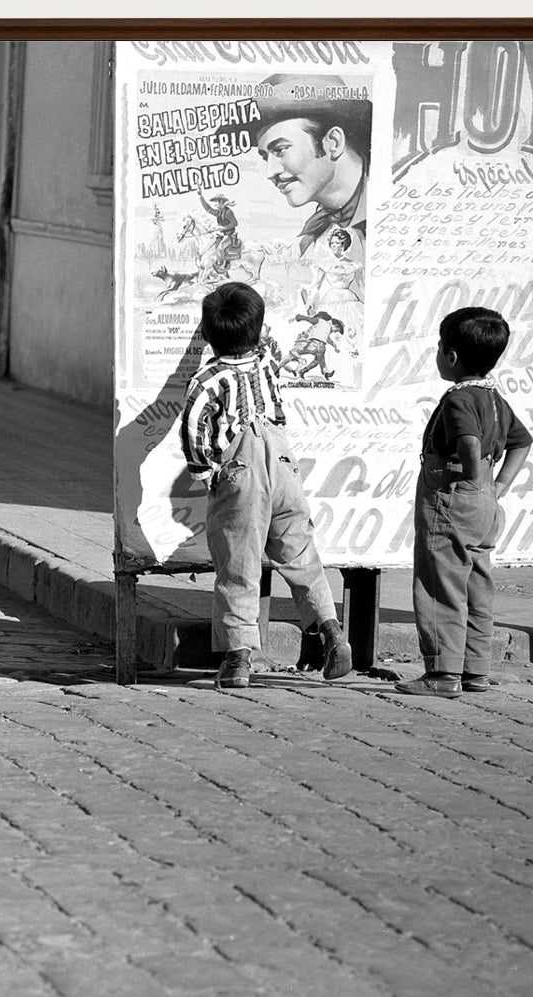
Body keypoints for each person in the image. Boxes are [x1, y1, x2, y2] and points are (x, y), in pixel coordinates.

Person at [179, 281, 352, 689]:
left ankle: (238, 660)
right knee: (301, 554)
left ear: (206, 334)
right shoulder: (267, 364)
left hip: (240, 474)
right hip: (283, 464)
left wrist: (206, 472)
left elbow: (193, 429)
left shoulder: (207, 380)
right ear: (258, 333)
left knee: (238, 564)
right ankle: (330, 631)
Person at [395, 307, 533, 698]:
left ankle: (442, 673)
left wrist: (470, 473)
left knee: (441, 583)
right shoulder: (494, 399)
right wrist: (497, 484)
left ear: (451, 356)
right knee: (476, 584)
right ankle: (475, 670)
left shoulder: (459, 400)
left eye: (440, 348)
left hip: (451, 497)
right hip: (485, 502)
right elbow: (522, 441)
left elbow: (468, 442)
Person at [229, 74, 372, 260]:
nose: (270, 173)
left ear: (333, 143)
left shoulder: (385, 210)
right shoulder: (319, 228)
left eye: (280, 150)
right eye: (265, 157)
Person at [286, 311, 344, 380]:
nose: (335, 332)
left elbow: (328, 339)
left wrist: (296, 318)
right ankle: (305, 371)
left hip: (315, 345)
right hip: (315, 345)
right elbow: (307, 318)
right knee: (318, 359)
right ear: (336, 325)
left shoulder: (326, 327)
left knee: (318, 358)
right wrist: (296, 317)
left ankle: (324, 372)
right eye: (337, 330)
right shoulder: (321, 323)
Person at [197, 191, 240, 280]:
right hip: (222, 235)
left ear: (221, 202)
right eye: (215, 202)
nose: (215, 204)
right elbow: (208, 209)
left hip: (230, 235)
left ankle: (221, 267)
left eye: (216, 202)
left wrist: (223, 228)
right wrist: (201, 197)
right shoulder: (219, 212)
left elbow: (235, 223)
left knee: (220, 248)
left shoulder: (228, 212)